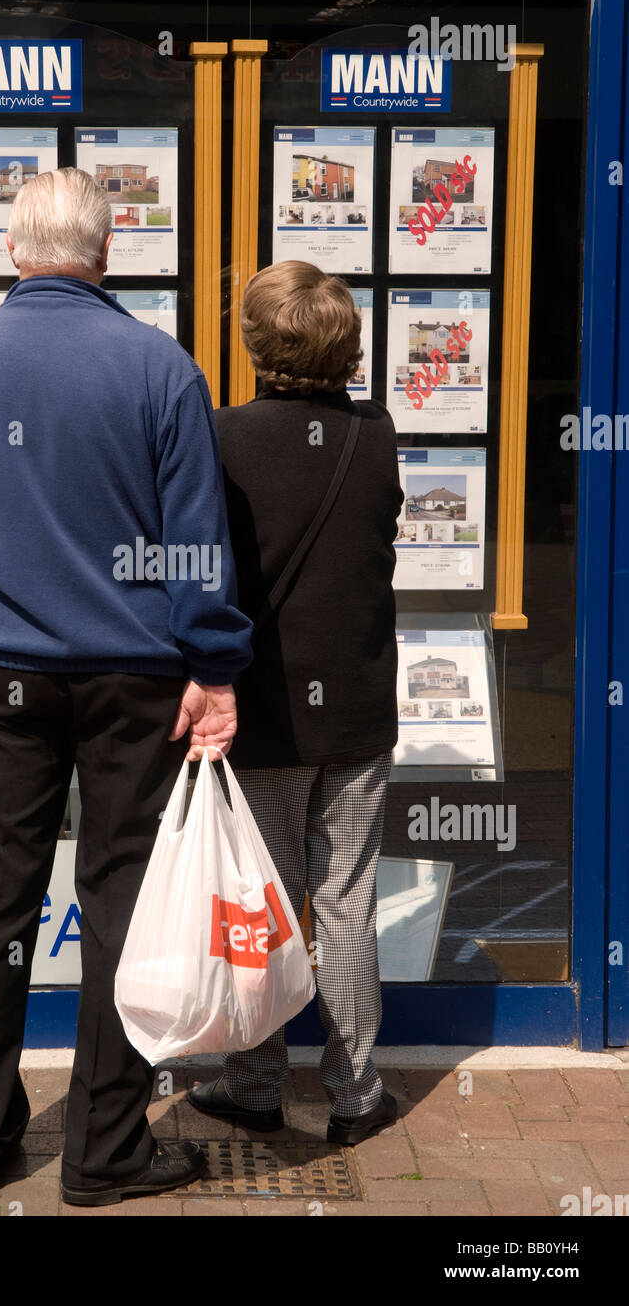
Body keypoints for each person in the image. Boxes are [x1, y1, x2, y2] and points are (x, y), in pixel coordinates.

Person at [0, 167, 252, 1205]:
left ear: (14, 249)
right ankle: (103, 1148)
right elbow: (196, 549)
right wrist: (212, 666)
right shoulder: (160, 368)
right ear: (105, 254)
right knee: (121, 907)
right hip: (135, 677)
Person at [189, 260, 403, 1146]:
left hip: (263, 715)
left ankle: (256, 1085)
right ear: (346, 347)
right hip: (354, 707)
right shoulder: (376, 433)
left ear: (254, 344)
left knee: (261, 904)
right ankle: (355, 1098)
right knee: (346, 901)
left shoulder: (220, 438)